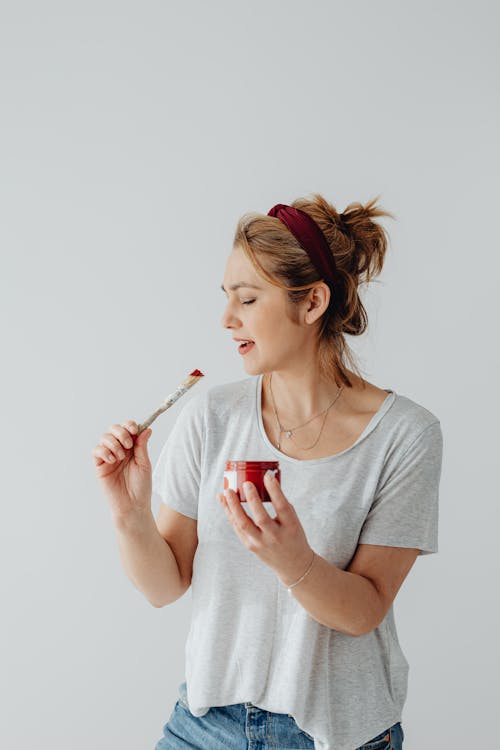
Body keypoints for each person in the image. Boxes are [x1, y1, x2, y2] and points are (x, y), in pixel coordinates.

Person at [92, 193, 443, 750]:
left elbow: (365, 611)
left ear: (311, 304)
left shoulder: (405, 434)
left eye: (248, 299)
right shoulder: (212, 414)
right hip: (205, 727)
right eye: (227, 298)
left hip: (335, 736)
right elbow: (164, 587)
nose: (227, 319)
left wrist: (294, 561)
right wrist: (128, 511)